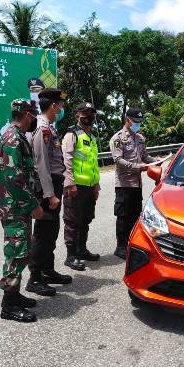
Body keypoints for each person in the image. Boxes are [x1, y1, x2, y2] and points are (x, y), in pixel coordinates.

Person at [0, 99, 44, 323]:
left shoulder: (17, 136)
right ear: (25, 115)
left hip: (17, 205)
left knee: (21, 250)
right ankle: (8, 305)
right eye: (32, 115)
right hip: (15, 206)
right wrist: (33, 205)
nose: (34, 119)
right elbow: (14, 179)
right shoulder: (13, 139)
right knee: (16, 253)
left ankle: (15, 294)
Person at [26, 88, 72, 296]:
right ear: (53, 106)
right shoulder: (43, 130)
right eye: (60, 106)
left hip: (54, 183)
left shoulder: (50, 129)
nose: (61, 109)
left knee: (52, 231)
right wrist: (49, 194)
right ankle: (34, 278)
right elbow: (41, 164)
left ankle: (47, 270)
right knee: (43, 233)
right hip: (48, 186)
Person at [110, 107, 158, 259]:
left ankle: (132, 243)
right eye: (135, 122)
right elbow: (118, 160)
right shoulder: (117, 138)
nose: (138, 124)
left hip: (137, 184)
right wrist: (139, 167)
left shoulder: (140, 138)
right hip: (124, 184)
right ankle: (120, 247)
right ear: (127, 121)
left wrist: (155, 161)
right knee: (123, 216)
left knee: (135, 216)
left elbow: (144, 156)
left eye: (139, 122)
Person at [62, 102, 101, 271]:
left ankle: (82, 250)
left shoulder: (91, 137)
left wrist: (96, 184)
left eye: (91, 114)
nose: (89, 118)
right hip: (75, 186)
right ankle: (71, 256)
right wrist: (70, 183)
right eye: (86, 115)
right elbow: (67, 160)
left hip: (89, 186)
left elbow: (93, 163)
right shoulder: (72, 135)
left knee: (85, 219)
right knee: (72, 221)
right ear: (77, 115)